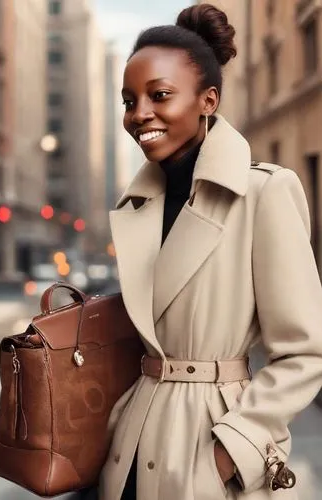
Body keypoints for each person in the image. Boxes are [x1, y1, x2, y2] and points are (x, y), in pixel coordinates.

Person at [99, 4, 322, 500]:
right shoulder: (138, 206)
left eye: (159, 96)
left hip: (210, 448)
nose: (140, 115)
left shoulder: (264, 192)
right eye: (128, 101)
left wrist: (229, 454)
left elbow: (305, 352)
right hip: (131, 448)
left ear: (208, 100)